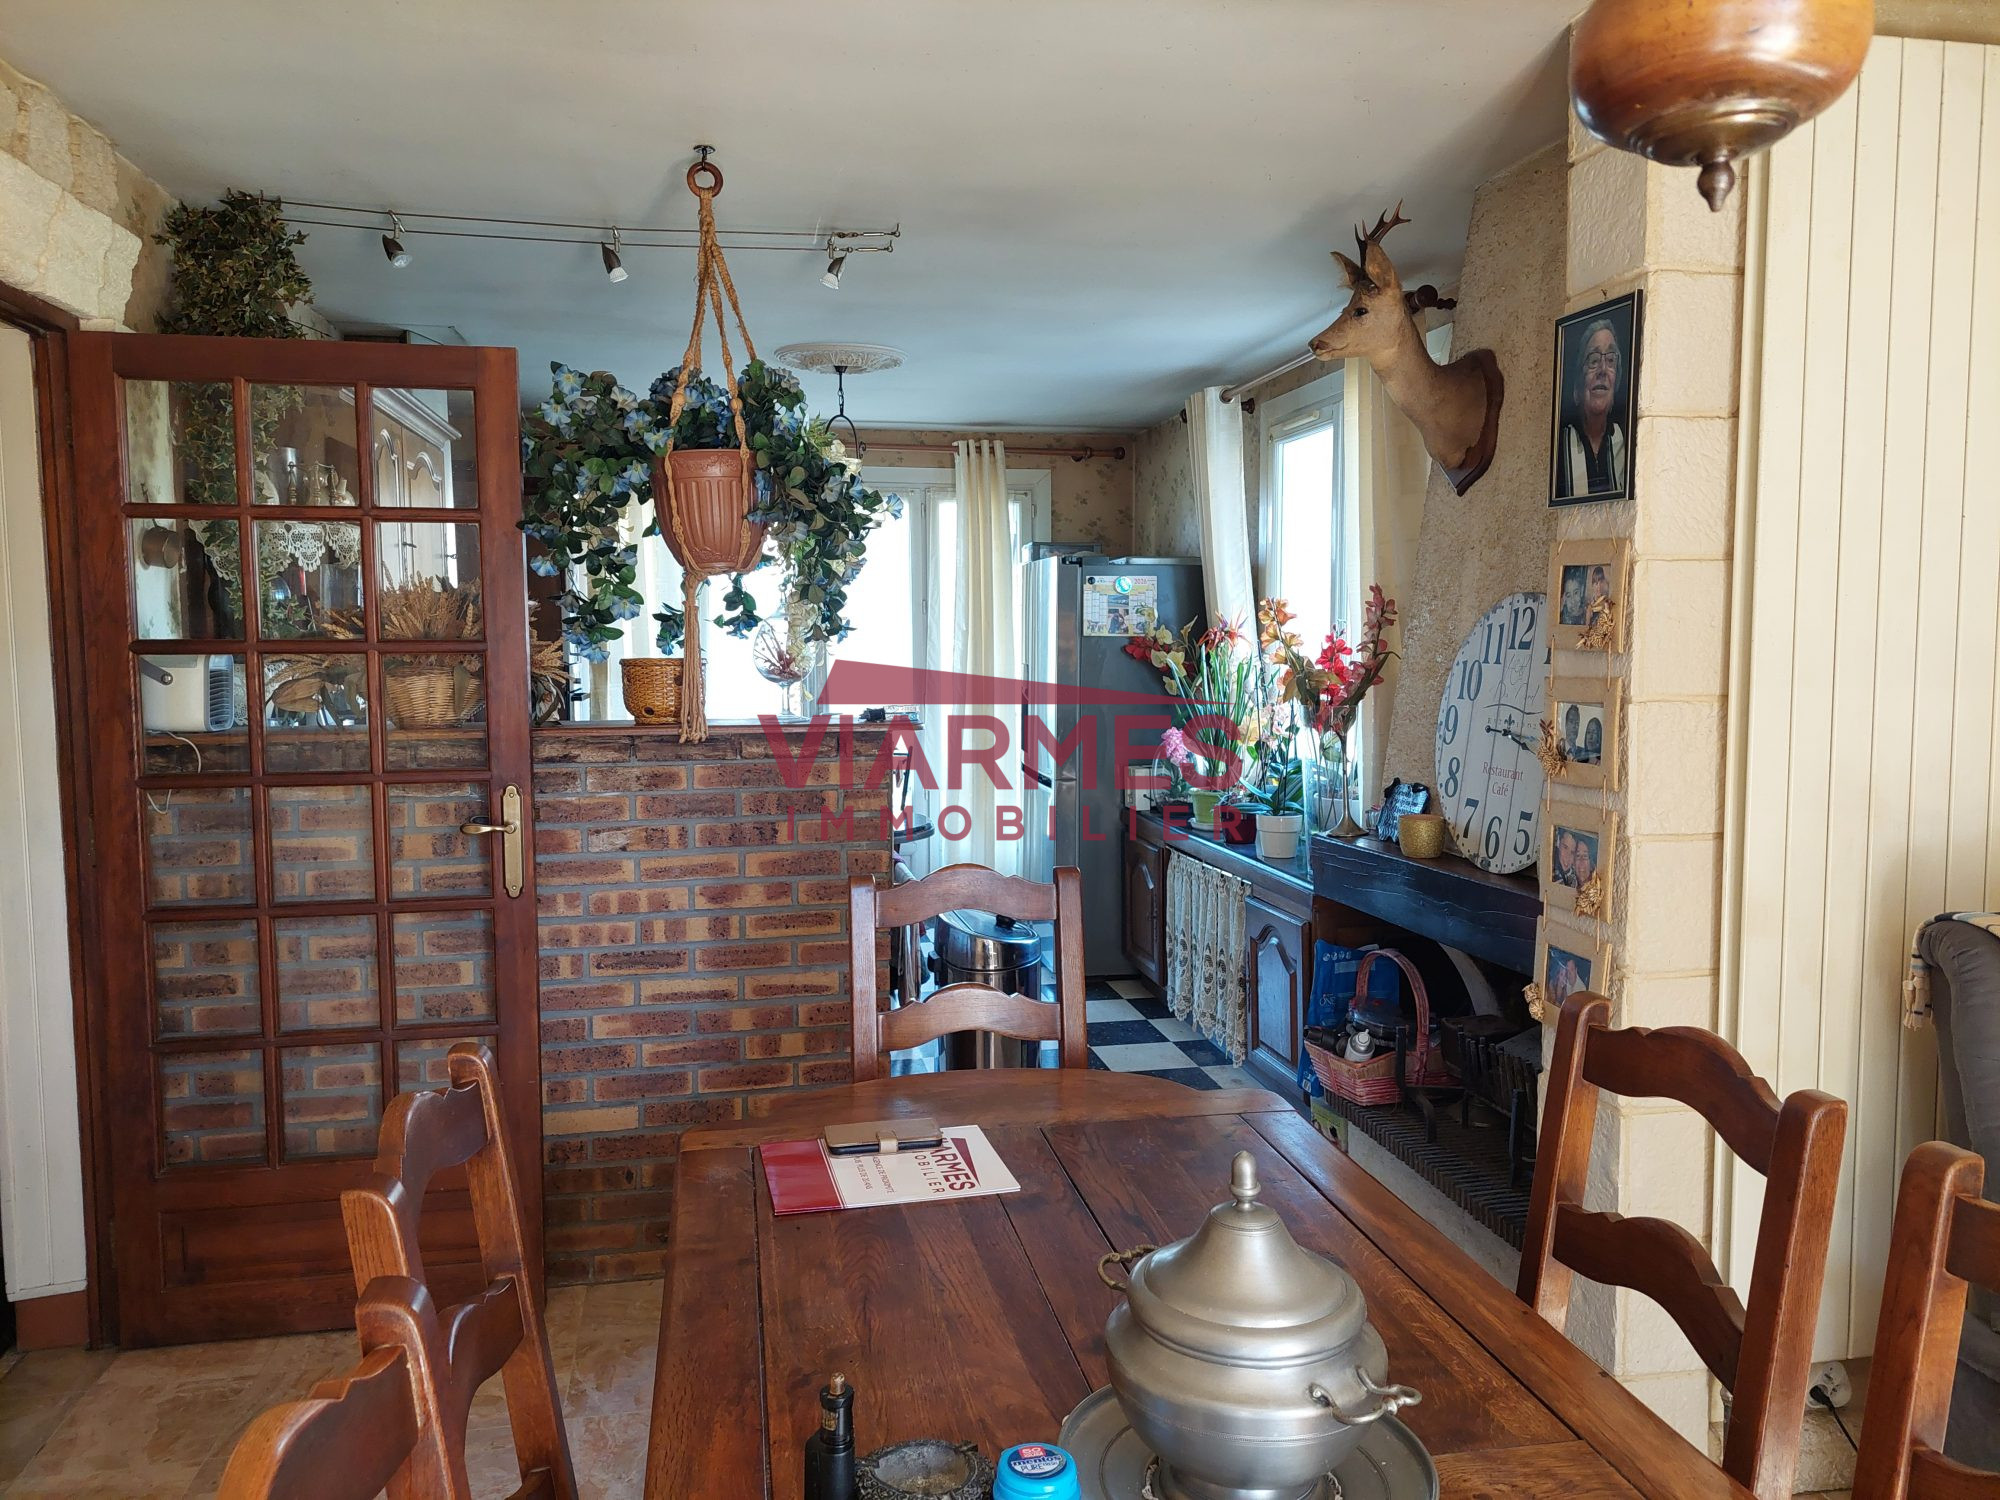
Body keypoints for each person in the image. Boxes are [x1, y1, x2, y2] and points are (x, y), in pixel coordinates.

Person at [1554, 317, 1628, 499]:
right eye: (1593, 360)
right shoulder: (1558, 446)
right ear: (1577, 387)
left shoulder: (1627, 441)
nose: (1603, 369)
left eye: (1610, 360)